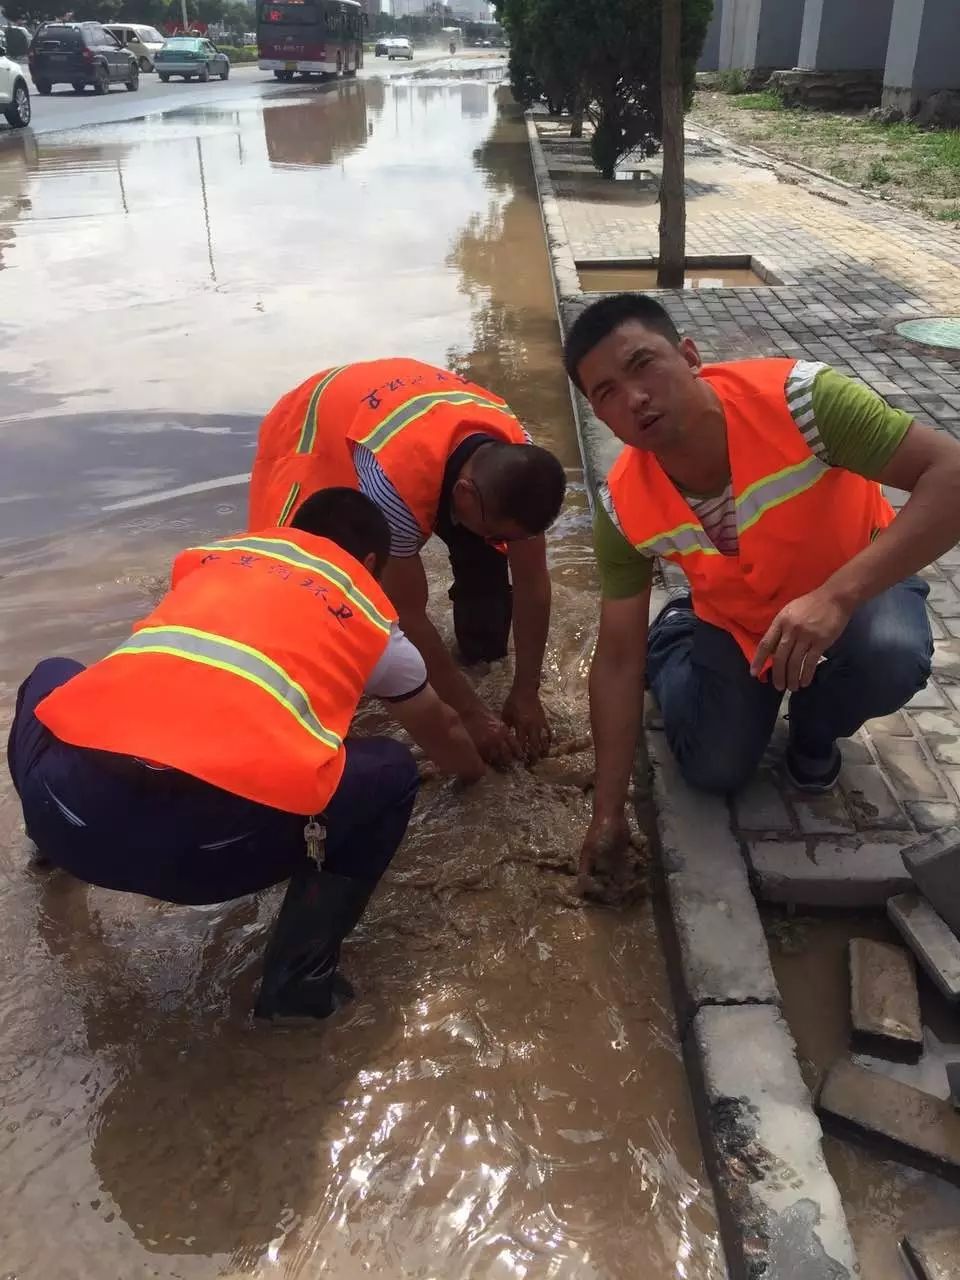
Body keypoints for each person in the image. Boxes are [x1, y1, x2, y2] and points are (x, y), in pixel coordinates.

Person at [7, 488, 486, 1021]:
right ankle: (297, 988)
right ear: (370, 564)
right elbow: (439, 727)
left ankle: (47, 854)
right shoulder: (365, 617)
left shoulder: (216, 563)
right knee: (392, 771)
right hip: (205, 858)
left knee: (50, 674)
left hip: (61, 810)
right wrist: (478, 775)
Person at [563, 293, 960, 873]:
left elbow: (950, 475)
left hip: (856, 578)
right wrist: (607, 813)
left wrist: (836, 596)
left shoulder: (802, 401)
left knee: (892, 655)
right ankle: (675, 639)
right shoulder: (622, 506)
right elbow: (617, 657)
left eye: (642, 364)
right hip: (738, 618)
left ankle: (813, 733)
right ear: (602, 418)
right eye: (606, 394)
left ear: (690, 355)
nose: (634, 398)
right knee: (713, 770)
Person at [248, 358, 567, 766]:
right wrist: (470, 716)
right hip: (312, 426)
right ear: (465, 495)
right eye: (499, 535)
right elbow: (407, 617)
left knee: (487, 598)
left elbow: (532, 582)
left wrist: (526, 690)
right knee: (311, 579)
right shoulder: (391, 487)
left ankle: (478, 650)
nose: (503, 545)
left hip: (419, 418)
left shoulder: (522, 465)